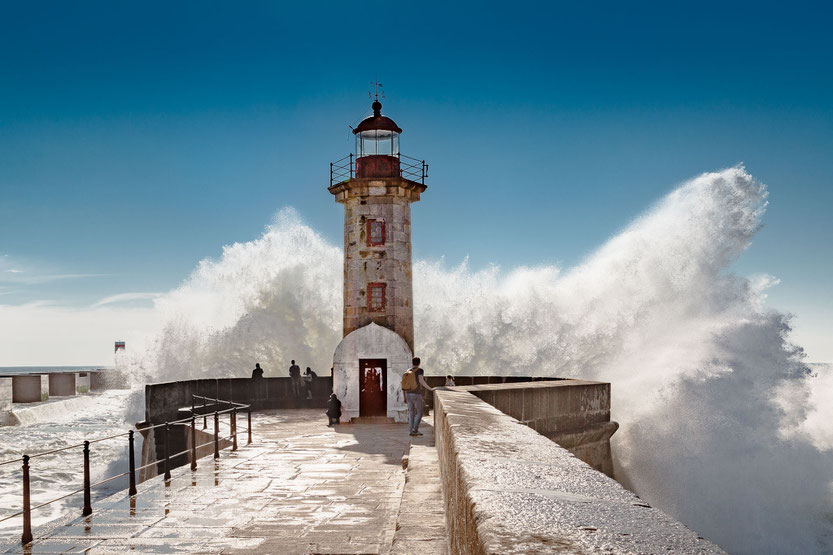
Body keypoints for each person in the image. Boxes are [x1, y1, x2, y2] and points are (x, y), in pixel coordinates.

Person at [401, 357, 434, 437]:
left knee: (411, 412)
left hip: (407, 393)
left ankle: (411, 429)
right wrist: (430, 388)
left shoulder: (408, 371)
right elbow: (421, 380)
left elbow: (403, 384)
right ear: (419, 363)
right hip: (416, 394)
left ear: (412, 363)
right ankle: (414, 430)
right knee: (420, 412)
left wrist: (404, 397)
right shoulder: (420, 370)